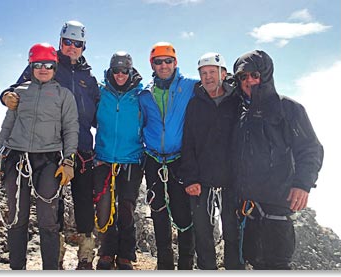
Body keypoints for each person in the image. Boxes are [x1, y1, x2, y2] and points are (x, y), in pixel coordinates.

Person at [0, 20, 100, 270]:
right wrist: (4, 95)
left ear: (84, 47)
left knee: (84, 201)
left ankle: (85, 256)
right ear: (60, 42)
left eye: (78, 43)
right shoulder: (46, 64)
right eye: (68, 42)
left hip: (82, 147)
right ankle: (56, 257)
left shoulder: (89, 77)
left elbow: (100, 113)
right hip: (52, 148)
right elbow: (18, 92)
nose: (72, 47)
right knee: (54, 205)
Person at [231, 50, 324, 269]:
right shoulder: (241, 113)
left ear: (266, 74)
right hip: (248, 207)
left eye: (254, 74)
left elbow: (310, 149)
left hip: (277, 207)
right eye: (242, 77)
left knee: (277, 265)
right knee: (253, 261)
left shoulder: (288, 109)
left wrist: (302, 185)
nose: (249, 81)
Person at [0, 43, 79, 270]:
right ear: (31, 66)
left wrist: (69, 160)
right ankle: (17, 269)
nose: (43, 69)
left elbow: (71, 129)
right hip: (17, 158)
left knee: (48, 221)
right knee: (16, 217)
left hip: (48, 160)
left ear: (55, 67)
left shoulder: (64, 95)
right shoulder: (19, 93)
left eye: (49, 65)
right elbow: (7, 125)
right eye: (38, 64)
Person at [181, 52, 244, 270]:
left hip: (231, 183)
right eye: (203, 73)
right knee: (203, 235)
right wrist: (190, 178)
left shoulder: (237, 102)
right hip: (202, 182)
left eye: (212, 72)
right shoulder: (195, 105)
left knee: (233, 235)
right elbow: (187, 143)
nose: (207, 77)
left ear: (223, 74)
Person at [138, 42, 196, 270]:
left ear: (176, 62)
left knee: (183, 215)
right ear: (152, 64)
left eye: (168, 61)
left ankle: (185, 265)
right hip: (153, 160)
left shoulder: (190, 86)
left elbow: (216, 85)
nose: (164, 65)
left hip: (180, 160)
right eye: (158, 61)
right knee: (158, 212)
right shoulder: (144, 93)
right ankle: (164, 265)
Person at [93, 51, 144, 270]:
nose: (121, 75)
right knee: (104, 207)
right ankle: (106, 252)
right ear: (110, 71)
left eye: (125, 70)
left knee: (126, 207)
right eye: (117, 70)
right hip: (104, 159)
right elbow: (90, 117)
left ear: (131, 71)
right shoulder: (100, 92)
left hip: (131, 159)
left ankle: (125, 255)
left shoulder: (141, 94)